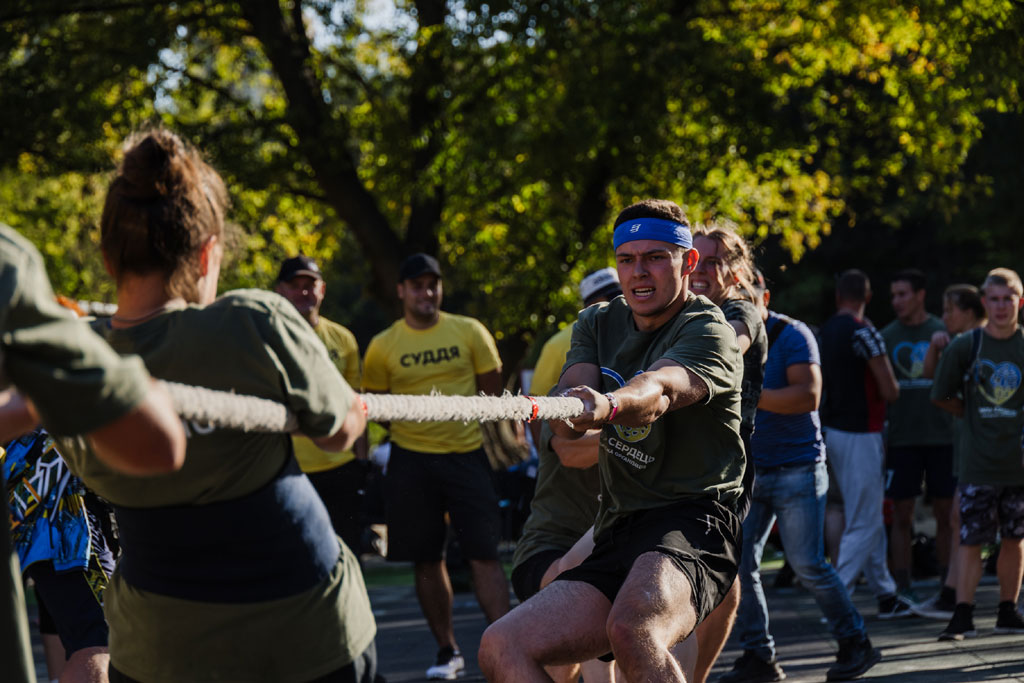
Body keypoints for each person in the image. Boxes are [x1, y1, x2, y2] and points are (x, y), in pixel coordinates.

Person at [62, 128, 377, 682]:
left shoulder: (71, 362)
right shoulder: (253, 321)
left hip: (158, 647)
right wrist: (349, 407)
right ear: (209, 254)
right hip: (306, 636)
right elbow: (338, 433)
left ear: (109, 257)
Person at [478, 198, 745, 681]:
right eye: (627, 259)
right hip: (618, 524)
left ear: (687, 262)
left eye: (655, 257)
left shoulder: (709, 330)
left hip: (695, 522)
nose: (638, 272)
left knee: (633, 627)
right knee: (501, 645)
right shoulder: (598, 322)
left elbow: (658, 389)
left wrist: (604, 406)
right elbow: (568, 405)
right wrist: (567, 408)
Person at [0, 224, 187, 683]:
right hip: (52, 508)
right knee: (97, 641)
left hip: (45, 513)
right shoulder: (14, 268)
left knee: (76, 635)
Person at [720, 278, 880, 683]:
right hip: (750, 471)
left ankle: (855, 642)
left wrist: (742, 391)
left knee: (808, 565)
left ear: (765, 299)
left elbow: (808, 396)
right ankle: (759, 656)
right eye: (732, 306)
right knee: (738, 566)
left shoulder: (793, 335)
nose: (739, 315)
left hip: (798, 467)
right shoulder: (720, 337)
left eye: (747, 304)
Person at [362, 252, 509, 680]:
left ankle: (507, 642)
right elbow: (380, 407)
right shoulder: (384, 344)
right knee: (426, 559)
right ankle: (448, 650)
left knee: (485, 555)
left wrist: (454, 429)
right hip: (412, 462)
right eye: (417, 285)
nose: (426, 292)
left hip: (466, 457)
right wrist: (419, 434)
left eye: (433, 284)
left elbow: (492, 392)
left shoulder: (469, 331)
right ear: (401, 291)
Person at [512, 267, 621, 683]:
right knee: (591, 597)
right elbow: (566, 446)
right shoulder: (568, 364)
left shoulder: (649, 368)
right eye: (604, 304)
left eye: (622, 300)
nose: (613, 311)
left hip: (614, 544)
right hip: (555, 547)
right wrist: (646, 435)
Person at [687, 223, 766, 683]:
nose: (701, 270)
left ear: (735, 270)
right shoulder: (682, 310)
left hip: (725, 467)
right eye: (696, 259)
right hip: (670, 461)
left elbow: (733, 341)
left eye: (714, 261)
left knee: (717, 581)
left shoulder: (740, 310)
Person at [931, 268, 1024, 641]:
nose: (1001, 307)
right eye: (995, 299)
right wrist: (971, 415)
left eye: (1008, 299)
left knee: (1015, 539)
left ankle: (1007, 610)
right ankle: (963, 613)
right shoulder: (966, 345)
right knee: (971, 539)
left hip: (1017, 466)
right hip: (978, 463)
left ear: (1019, 302)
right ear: (984, 302)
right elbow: (941, 394)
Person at [819, 269, 911, 617]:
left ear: (839, 296)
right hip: (863, 432)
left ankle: (885, 593)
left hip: (833, 431)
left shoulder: (825, 332)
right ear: (867, 297)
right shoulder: (865, 333)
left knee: (860, 512)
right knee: (867, 519)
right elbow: (891, 389)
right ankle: (836, 601)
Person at [275, 254, 370, 558]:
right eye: (295, 285)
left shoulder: (343, 339)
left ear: (322, 290)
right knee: (291, 558)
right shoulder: (266, 336)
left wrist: (361, 462)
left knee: (346, 556)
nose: (304, 292)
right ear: (280, 290)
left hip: (340, 468)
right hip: (285, 468)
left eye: (310, 285)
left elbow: (358, 403)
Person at [880, 269, 956, 600]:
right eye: (893, 295)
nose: (897, 301)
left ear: (920, 295)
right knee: (901, 515)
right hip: (902, 438)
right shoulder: (886, 335)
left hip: (943, 437)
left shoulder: (944, 331)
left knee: (946, 513)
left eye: (903, 294)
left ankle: (947, 583)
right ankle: (902, 585)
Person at [915, 284, 986, 620]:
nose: (944, 318)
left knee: (965, 517)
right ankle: (952, 595)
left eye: (949, 310)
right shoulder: (957, 344)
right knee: (961, 518)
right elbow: (933, 381)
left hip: (991, 447)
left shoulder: (987, 342)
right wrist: (934, 348)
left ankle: (956, 596)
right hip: (968, 445)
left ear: (969, 311)